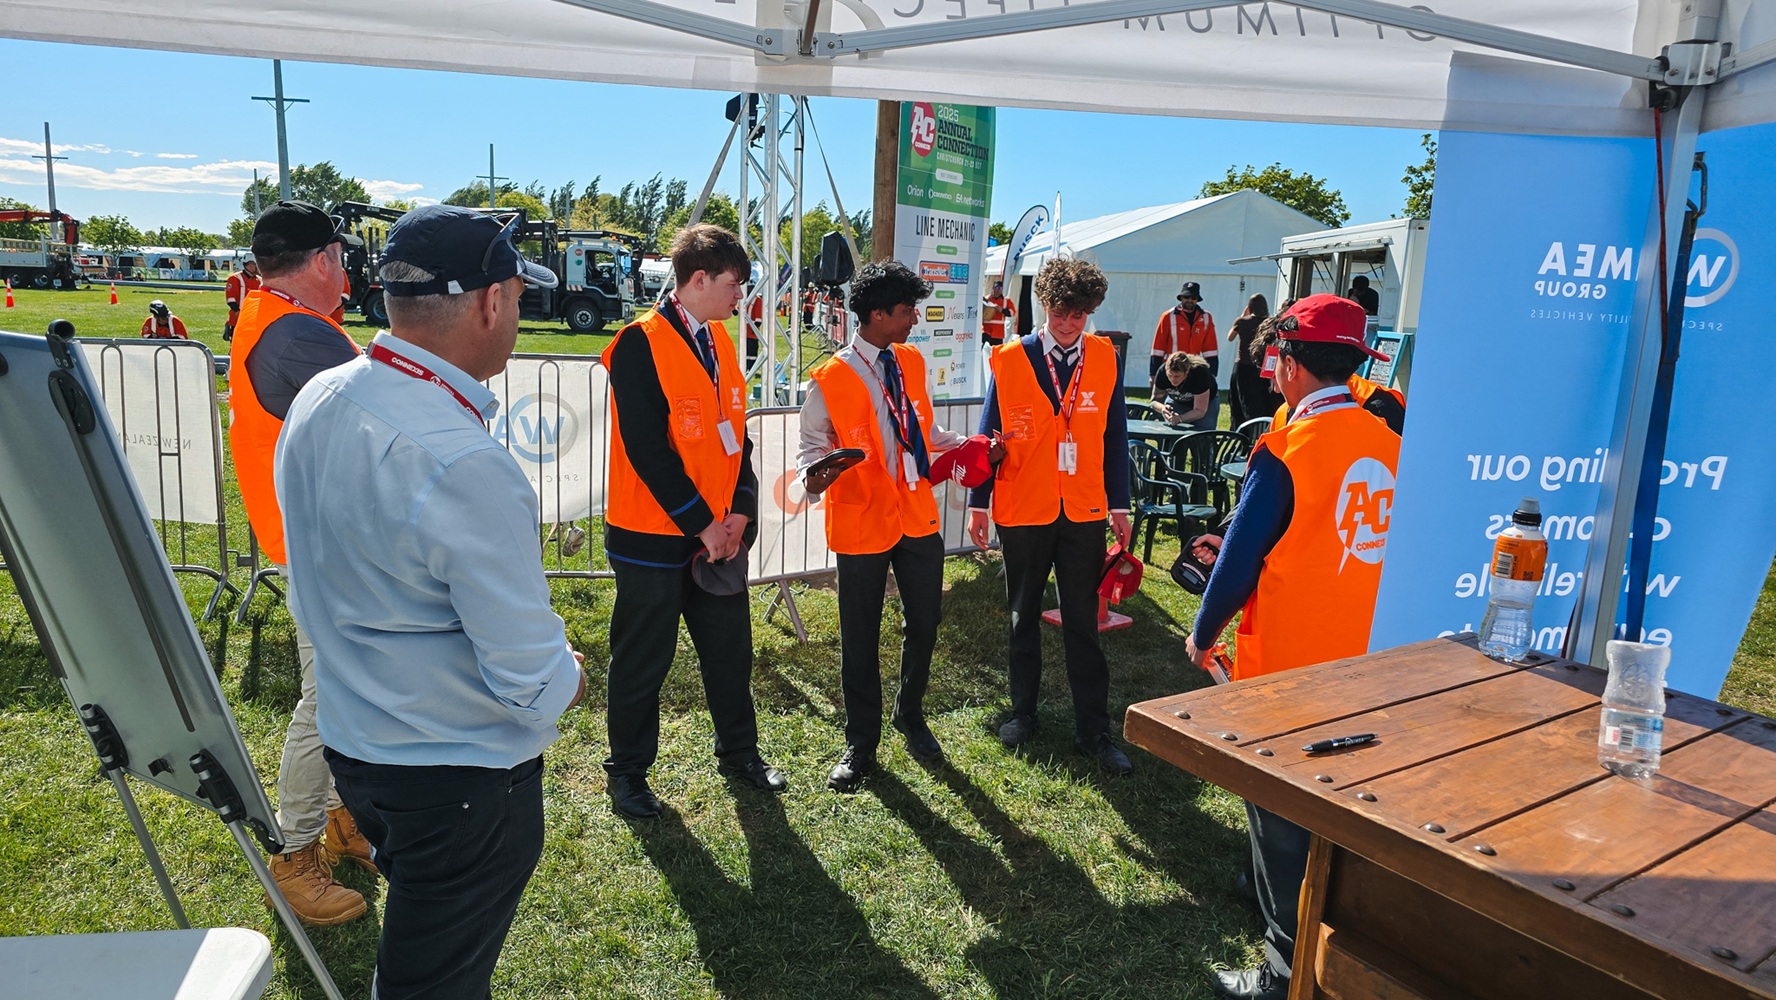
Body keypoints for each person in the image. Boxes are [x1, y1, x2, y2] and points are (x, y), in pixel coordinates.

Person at [276, 204, 584, 999]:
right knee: (431, 982)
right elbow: (528, 676)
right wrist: (569, 675)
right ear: (490, 301)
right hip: (457, 779)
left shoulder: (321, 396)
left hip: (361, 745)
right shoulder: (462, 462)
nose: (516, 319)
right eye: (517, 299)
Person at [1182, 293, 1401, 1000]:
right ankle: (1326, 941)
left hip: (1286, 673)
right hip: (1369, 667)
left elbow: (1238, 563)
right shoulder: (1392, 443)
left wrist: (1201, 633)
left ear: (1291, 365)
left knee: (1281, 822)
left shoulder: (1286, 447)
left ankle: (1283, 973)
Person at [601, 223, 784, 821]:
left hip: (718, 538)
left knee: (730, 652)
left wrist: (740, 516)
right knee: (642, 661)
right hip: (652, 538)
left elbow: (739, 441)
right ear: (698, 279)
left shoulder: (720, 341)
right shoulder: (638, 342)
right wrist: (703, 524)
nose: (743, 297)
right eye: (736, 284)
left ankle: (740, 753)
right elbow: (647, 450)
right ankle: (626, 773)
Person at [226, 200, 372, 927]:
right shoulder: (296, 333)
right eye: (342, 258)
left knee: (342, 694)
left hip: (313, 541)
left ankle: (343, 823)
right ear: (322, 261)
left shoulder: (275, 317)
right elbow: (380, 422)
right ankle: (293, 851)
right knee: (326, 701)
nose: (345, 272)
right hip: (321, 551)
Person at [798, 260, 988, 792]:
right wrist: (821, 473)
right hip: (862, 521)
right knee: (859, 636)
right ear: (877, 314)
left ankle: (910, 711)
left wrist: (967, 445)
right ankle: (861, 741)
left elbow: (923, 429)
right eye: (906, 312)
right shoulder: (830, 378)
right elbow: (809, 452)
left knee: (924, 622)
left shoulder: (911, 361)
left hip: (916, 515)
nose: (914, 320)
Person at [967, 257, 1135, 775]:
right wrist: (978, 502)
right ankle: (1023, 713)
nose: (1069, 324)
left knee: (1083, 621)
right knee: (1023, 615)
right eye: (1062, 312)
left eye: (1080, 315)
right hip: (1024, 508)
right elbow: (987, 435)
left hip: (1083, 509)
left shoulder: (1105, 358)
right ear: (1044, 305)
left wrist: (1120, 503)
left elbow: (1114, 435)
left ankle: (1095, 730)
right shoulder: (1011, 357)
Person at [1152, 280, 1219, 425]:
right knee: (1169, 422)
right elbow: (1158, 344)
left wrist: (1211, 373)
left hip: (1193, 369)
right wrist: (1154, 372)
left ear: (1197, 299)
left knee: (1203, 427)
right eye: (1186, 297)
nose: (1190, 300)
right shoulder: (1168, 316)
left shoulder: (1206, 317)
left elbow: (1210, 346)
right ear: (1181, 298)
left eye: (1193, 298)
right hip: (1171, 365)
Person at [1227, 294, 1271, 427]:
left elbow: (1230, 337)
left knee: (1239, 400)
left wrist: (1242, 315)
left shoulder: (1242, 322)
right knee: (1258, 400)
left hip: (1242, 365)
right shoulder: (1268, 323)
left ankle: (1238, 428)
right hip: (1260, 366)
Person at [1150, 351, 1215, 428]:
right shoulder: (1162, 372)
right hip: (1177, 400)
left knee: (1203, 430)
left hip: (1205, 402)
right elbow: (1154, 401)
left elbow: (1200, 410)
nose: (1173, 380)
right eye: (1170, 375)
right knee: (1172, 427)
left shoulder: (1199, 373)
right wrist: (1162, 408)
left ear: (1187, 371)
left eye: (1177, 376)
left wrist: (1180, 418)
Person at [222, 256, 260, 341]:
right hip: (238, 319)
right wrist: (238, 311)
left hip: (253, 319)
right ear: (250, 265)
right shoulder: (235, 278)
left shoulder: (259, 280)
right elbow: (231, 299)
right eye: (257, 265)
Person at [982, 279, 1015, 346]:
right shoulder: (986, 298)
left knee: (996, 352)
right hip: (986, 330)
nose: (998, 290)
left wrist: (1002, 310)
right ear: (993, 288)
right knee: (985, 350)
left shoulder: (1006, 300)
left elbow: (1012, 313)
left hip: (998, 332)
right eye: (996, 287)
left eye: (1000, 288)